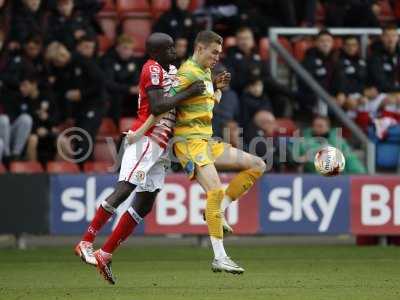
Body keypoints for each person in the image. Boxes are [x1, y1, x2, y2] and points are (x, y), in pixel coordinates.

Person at [74, 33, 205, 285]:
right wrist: (189, 92)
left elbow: (179, 99)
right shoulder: (151, 68)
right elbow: (157, 107)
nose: (174, 51)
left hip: (162, 145)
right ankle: (86, 241)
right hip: (146, 140)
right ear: (155, 52)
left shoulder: (169, 70)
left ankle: (105, 253)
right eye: (168, 48)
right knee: (125, 189)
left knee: (145, 202)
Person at [172, 30, 266, 274]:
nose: (217, 58)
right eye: (213, 52)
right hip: (190, 144)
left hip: (207, 142)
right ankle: (220, 257)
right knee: (214, 190)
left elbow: (204, 104)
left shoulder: (204, 73)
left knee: (257, 165)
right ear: (199, 48)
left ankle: (219, 208)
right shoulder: (186, 73)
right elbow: (165, 104)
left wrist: (218, 89)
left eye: (219, 53)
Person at [45, 41, 104, 162]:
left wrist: (81, 94)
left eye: (56, 61)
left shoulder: (82, 61)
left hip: (94, 105)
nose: (56, 65)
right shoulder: (61, 70)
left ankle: (85, 169)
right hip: (79, 109)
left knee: (85, 136)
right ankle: (82, 169)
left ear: (61, 55)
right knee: (78, 140)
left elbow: (100, 83)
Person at [297, 115, 366, 174]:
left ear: (328, 127)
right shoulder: (304, 141)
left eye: (320, 126)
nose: (317, 128)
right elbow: (297, 159)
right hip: (312, 175)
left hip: (338, 176)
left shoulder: (338, 141)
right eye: (315, 126)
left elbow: (350, 158)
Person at [100, 34, 142, 125]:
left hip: (128, 93)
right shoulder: (108, 60)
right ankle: (116, 128)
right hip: (112, 93)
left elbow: (136, 79)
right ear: (117, 47)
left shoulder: (132, 61)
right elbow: (108, 83)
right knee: (117, 97)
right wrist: (129, 89)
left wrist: (138, 87)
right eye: (125, 48)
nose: (128, 52)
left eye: (131, 49)